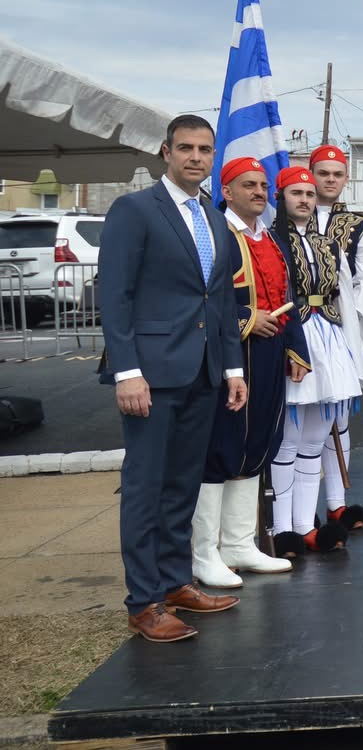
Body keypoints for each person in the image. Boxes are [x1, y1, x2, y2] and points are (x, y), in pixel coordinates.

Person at [98, 114, 247, 642]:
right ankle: (143, 602)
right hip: (151, 375)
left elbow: (220, 299)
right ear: (166, 152)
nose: (196, 157)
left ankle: (174, 582)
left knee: (183, 484)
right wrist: (127, 371)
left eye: (205, 149)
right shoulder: (135, 209)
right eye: (186, 148)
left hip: (204, 371)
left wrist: (232, 368)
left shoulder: (213, 216)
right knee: (146, 487)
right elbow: (115, 294)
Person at [191, 157, 310, 584]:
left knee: (258, 443)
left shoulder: (271, 238)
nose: (259, 192)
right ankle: (204, 553)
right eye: (249, 185)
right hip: (229, 353)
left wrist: (295, 350)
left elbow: (286, 296)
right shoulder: (215, 234)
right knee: (220, 447)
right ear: (226, 191)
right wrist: (245, 318)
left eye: (262, 185)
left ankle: (239, 544)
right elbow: (203, 296)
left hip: (269, 353)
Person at [268, 166, 363, 558]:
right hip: (293, 340)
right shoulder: (271, 241)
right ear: (281, 197)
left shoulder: (329, 245)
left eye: (309, 194)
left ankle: (305, 526)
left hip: (329, 340)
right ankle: (282, 528)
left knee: (314, 439)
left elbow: (344, 300)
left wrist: (354, 356)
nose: (305, 200)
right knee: (287, 441)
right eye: (297, 193)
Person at [306, 144, 363, 531]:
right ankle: (299, 512)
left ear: (346, 179)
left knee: (338, 417)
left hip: (340, 327)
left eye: (337, 174)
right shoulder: (287, 219)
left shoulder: (359, 227)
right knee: (302, 420)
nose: (330, 180)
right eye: (323, 173)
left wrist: (345, 300)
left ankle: (336, 503)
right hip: (301, 327)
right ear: (311, 174)